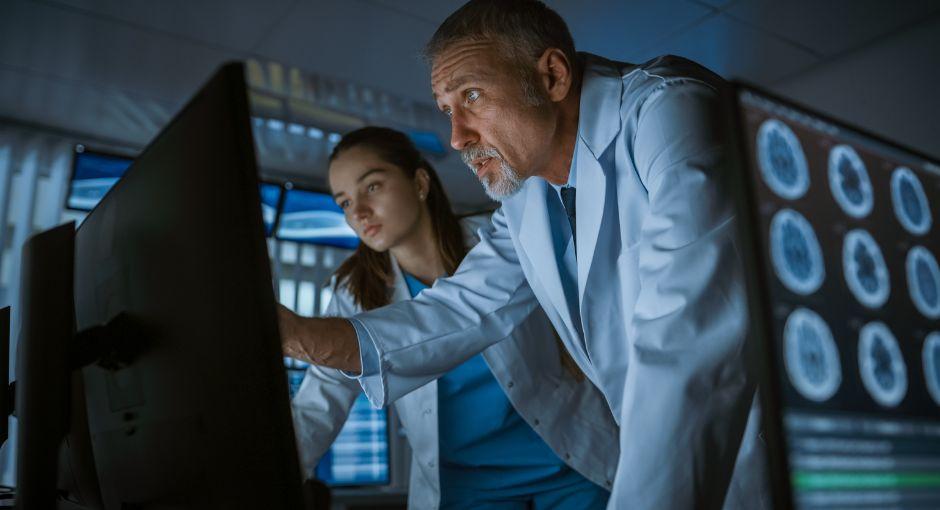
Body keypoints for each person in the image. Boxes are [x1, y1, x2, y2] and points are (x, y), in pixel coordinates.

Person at [280, 1, 769, 508]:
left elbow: (687, 338)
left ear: (553, 76)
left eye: (472, 95)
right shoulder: (527, 196)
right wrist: (294, 334)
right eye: (448, 109)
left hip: (737, 453)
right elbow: (459, 311)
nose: (457, 136)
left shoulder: (669, 112)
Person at [291, 126, 617, 509]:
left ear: (420, 182)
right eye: (344, 202)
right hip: (467, 489)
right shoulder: (355, 296)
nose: (359, 212)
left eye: (372, 187)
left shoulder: (496, 240)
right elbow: (317, 406)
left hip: (568, 465)